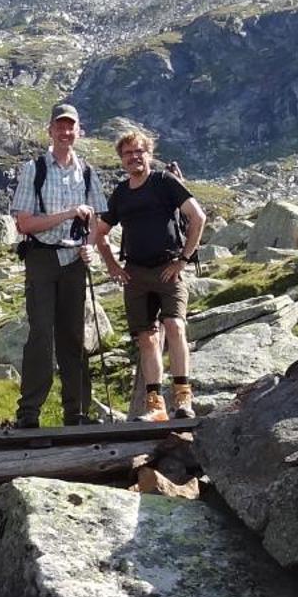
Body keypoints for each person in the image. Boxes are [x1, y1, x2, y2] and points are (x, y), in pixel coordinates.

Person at [94, 128, 207, 420]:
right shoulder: (121, 193)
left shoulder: (164, 182)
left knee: (175, 327)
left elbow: (198, 216)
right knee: (146, 338)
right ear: (121, 159)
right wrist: (112, 266)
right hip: (135, 273)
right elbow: (101, 233)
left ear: (149, 154)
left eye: (139, 152)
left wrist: (183, 259)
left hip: (169, 268)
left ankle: (183, 400)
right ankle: (156, 406)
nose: (134, 158)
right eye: (128, 153)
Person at [11, 102, 106, 428]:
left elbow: (96, 220)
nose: (66, 132)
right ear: (50, 130)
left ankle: (76, 412)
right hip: (41, 257)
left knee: (73, 336)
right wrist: (67, 214)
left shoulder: (89, 172)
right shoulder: (34, 169)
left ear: (78, 131)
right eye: (60, 126)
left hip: (74, 260)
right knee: (40, 333)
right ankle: (29, 413)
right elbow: (24, 224)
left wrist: (90, 247)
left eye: (71, 127)